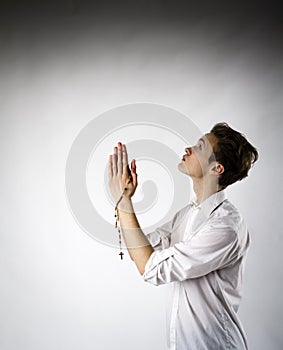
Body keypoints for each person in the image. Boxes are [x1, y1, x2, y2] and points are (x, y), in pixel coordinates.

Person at [108, 122, 258, 350]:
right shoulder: (187, 214)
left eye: (199, 147)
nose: (188, 149)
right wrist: (122, 198)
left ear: (216, 169)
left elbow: (151, 268)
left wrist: (124, 201)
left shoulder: (225, 227)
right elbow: (142, 251)